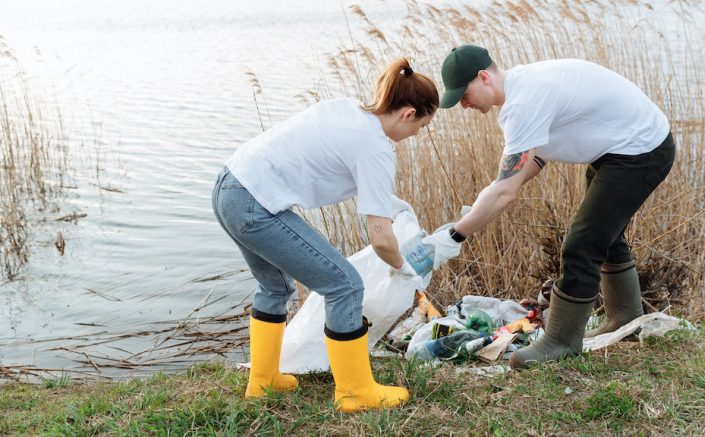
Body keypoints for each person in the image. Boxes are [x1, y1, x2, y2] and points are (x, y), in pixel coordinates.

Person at [424, 45, 675, 369]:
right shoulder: (524, 87)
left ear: (484, 77)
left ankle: (561, 341)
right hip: (619, 149)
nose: (463, 104)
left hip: (641, 149)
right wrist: (488, 197)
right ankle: (626, 319)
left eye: (464, 94)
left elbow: (505, 191)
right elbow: (528, 164)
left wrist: (455, 236)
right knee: (603, 235)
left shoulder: (522, 103)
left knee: (582, 242)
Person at [212, 58, 438, 411]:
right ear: (408, 114)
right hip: (255, 204)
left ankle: (263, 380)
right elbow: (380, 237)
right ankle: (355, 392)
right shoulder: (376, 148)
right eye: (422, 125)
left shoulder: (348, 110)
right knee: (345, 285)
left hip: (229, 186)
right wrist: (404, 268)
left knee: (275, 287)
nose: (417, 134)